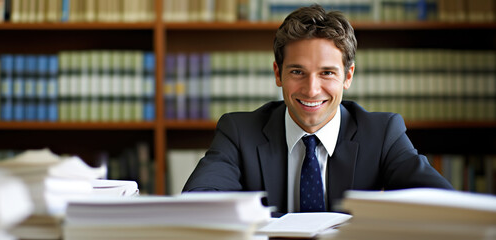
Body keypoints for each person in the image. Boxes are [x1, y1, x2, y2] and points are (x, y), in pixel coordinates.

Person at [182, 4, 453, 217]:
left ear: (348, 77)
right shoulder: (239, 132)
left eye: (327, 73)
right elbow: (199, 203)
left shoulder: (382, 134)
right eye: (297, 71)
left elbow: (440, 202)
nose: (312, 90)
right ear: (278, 74)